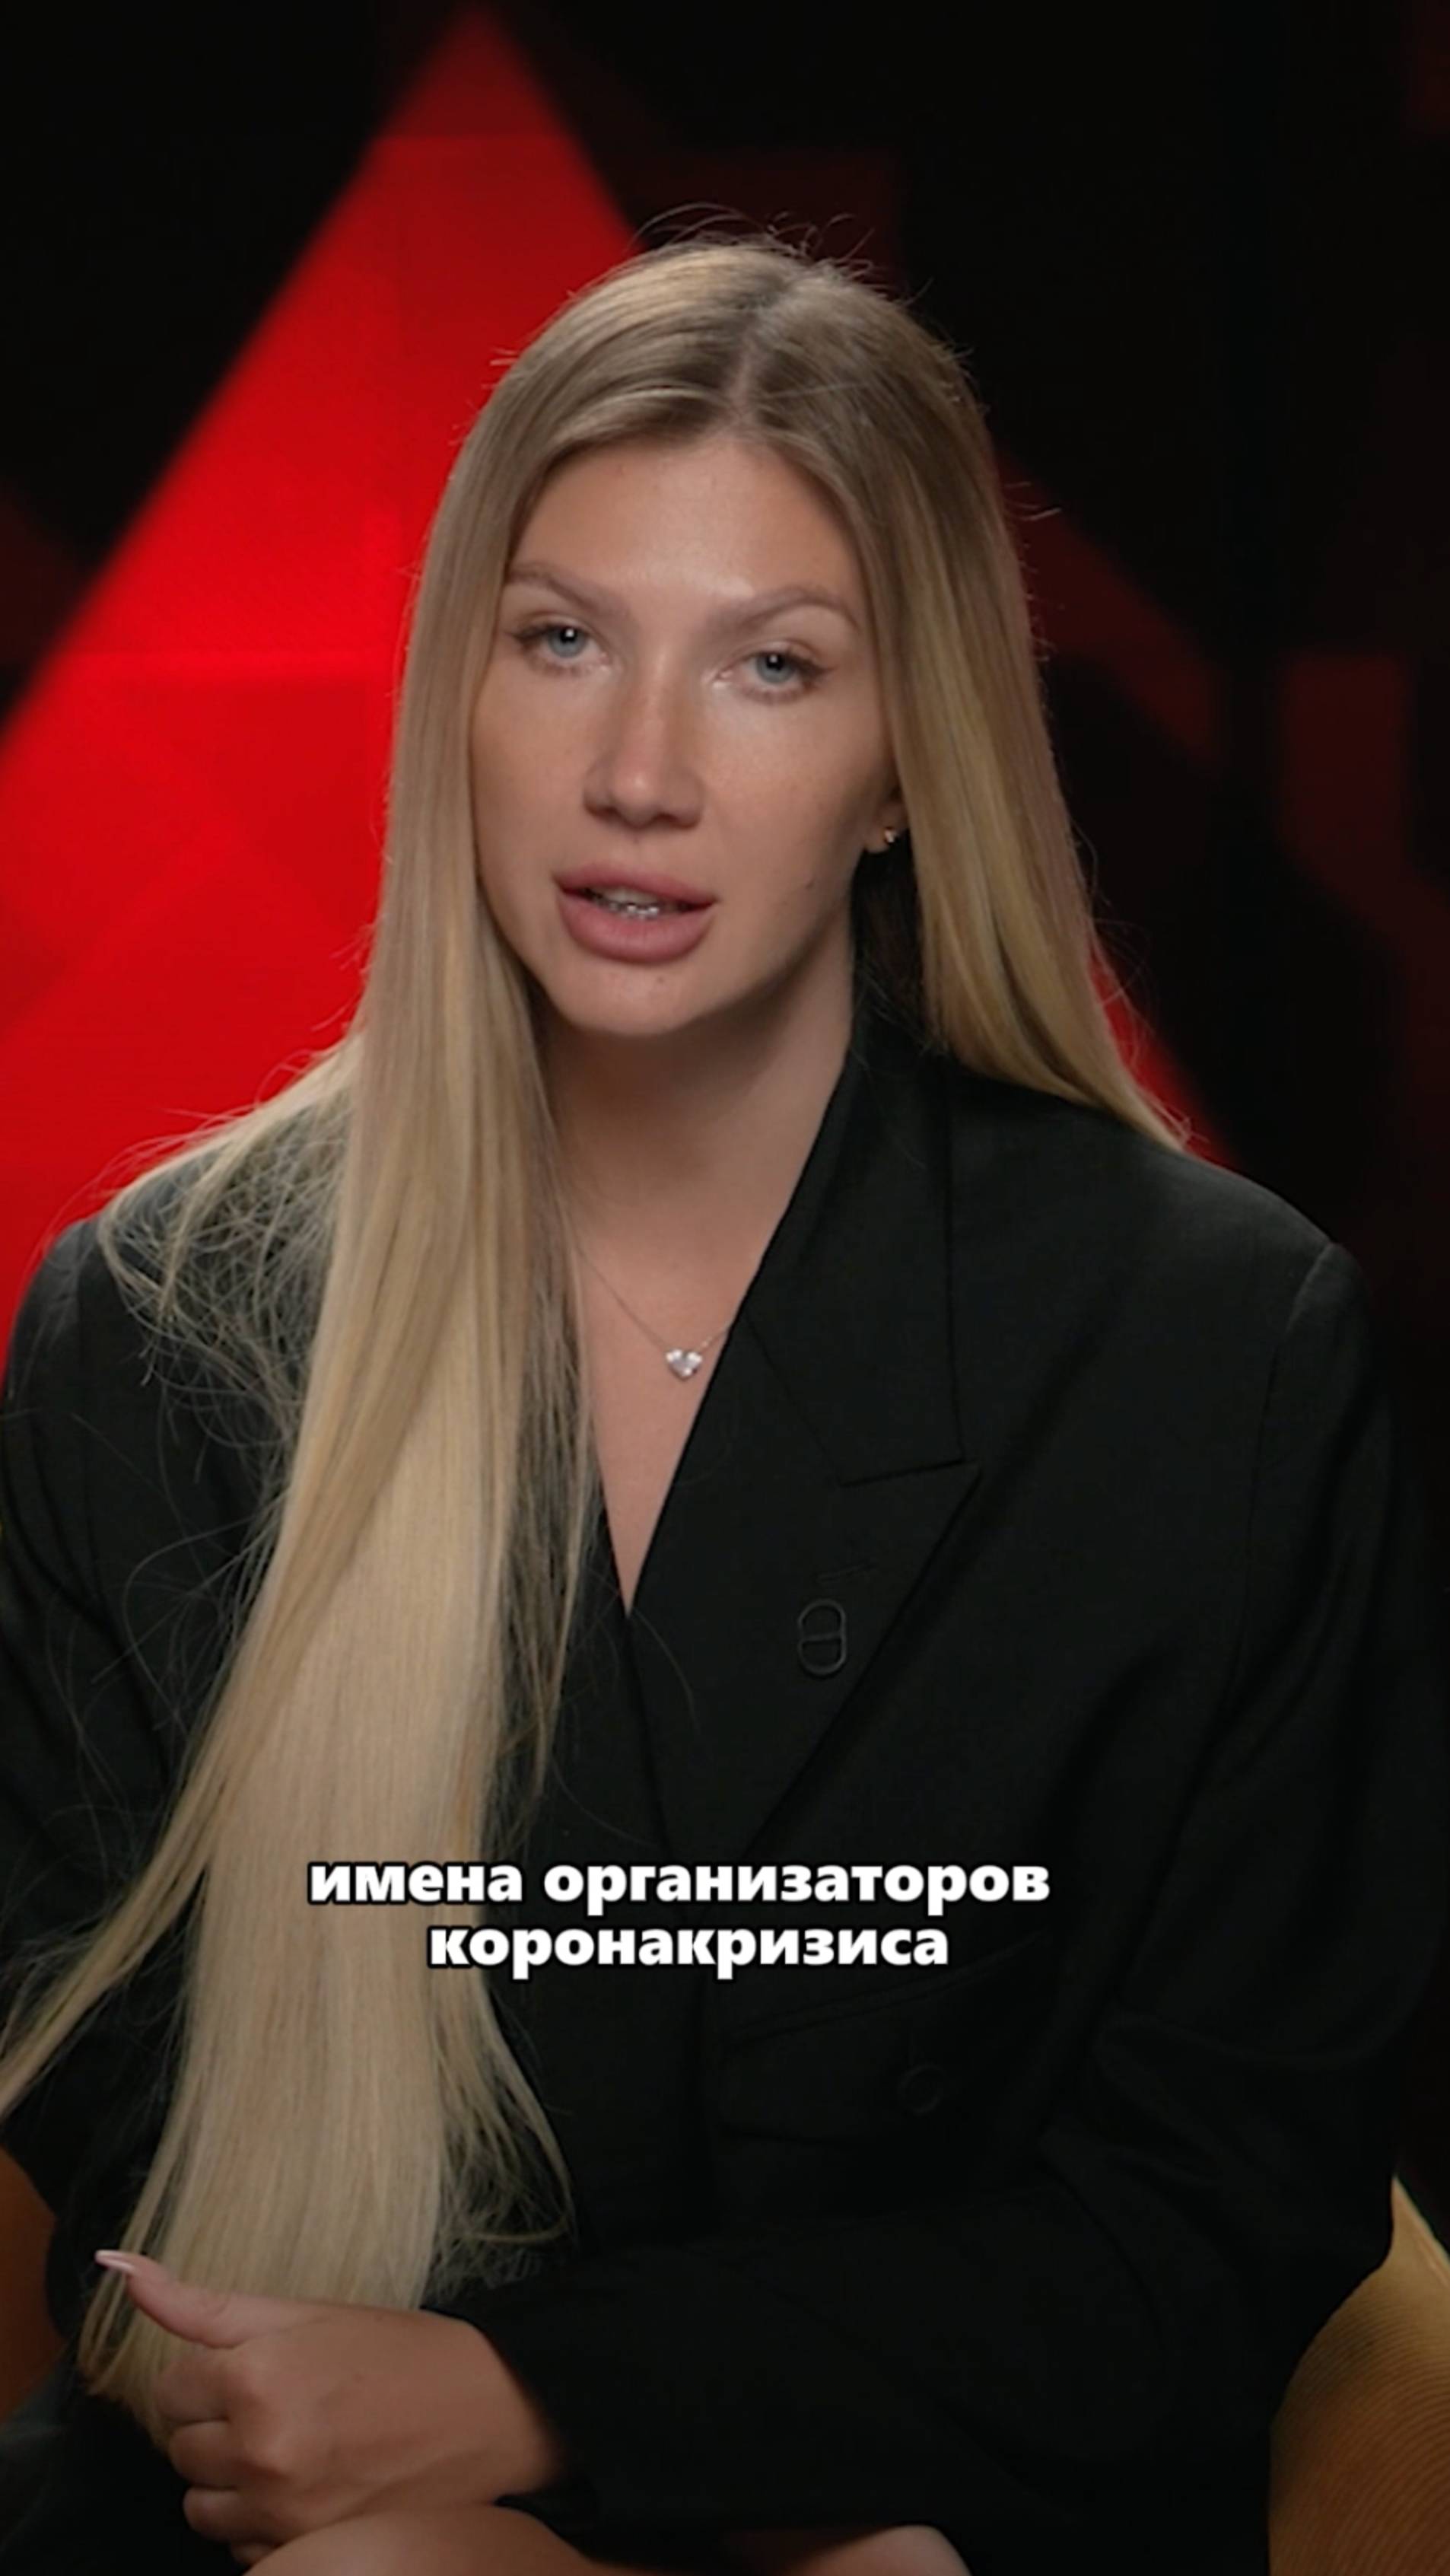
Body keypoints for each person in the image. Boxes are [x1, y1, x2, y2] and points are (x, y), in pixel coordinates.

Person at [0, 231, 1445, 2576]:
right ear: (458, 696)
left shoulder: (1216, 1355)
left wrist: (581, 2419)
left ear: (900, 768)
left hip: (961, 2515)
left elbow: (1216, 2209)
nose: (639, 772)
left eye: (771, 664)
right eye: (561, 639)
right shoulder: (151, 1330)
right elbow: (117, 2126)